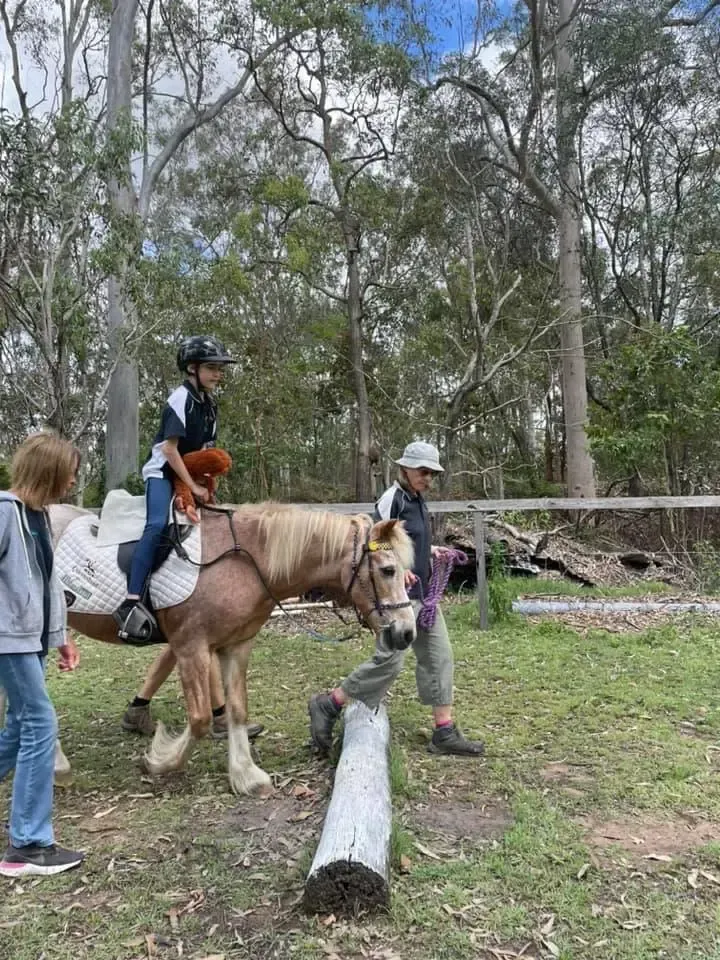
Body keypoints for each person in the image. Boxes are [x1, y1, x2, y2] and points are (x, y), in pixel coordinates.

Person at [308, 441, 485, 757]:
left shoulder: (417, 500)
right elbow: (370, 544)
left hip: (423, 597)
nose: (428, 478)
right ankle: (329, 703)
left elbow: (405, 541)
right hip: (396, 598)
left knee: (439, 656)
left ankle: (444, 730)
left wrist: (429, 551)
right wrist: (397, 565)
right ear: (405, 468)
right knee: (389, 661)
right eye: (423, 471)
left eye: (432, 473)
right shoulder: (392, 499)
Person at [0, 431, 85, 877]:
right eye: (68, 475)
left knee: (19, 722)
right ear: (48, 472)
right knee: (39, 721)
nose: (71, 483)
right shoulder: (3, 513)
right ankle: (27, 845)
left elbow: (46, 583)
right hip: (7, 639)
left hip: (31, 638)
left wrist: (61, 636)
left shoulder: (39, 516)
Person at [114, 335, 237, 643]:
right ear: (192, 368)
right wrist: (191, 485)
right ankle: (131, 599)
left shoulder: (209, 405)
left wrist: (205, 486)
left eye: (220, 369)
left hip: (189, 473)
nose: (218, 374)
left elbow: (206, 453)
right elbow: (170, 450)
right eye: (212, 368)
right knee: (156, 525)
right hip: (161, 472)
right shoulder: (180, 398)